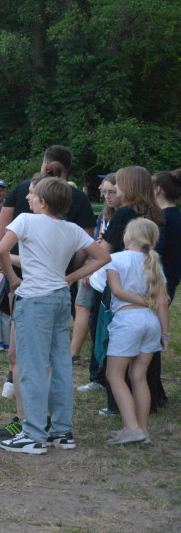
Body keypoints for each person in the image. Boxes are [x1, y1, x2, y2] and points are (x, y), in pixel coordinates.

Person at [0, 176, 109, 454]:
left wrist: (12, 279)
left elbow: (0, 249)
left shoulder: (25, 221)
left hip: (34, 299)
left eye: (33, 195)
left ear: (43, 201)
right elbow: (103, 257)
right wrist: (69, 277)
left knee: (32, 367)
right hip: (59, 299)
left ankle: (33, 434)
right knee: (60, 365)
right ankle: (62, 431)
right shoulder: (71, 228)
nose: (27, 198)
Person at [90, 218, 169, 444]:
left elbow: (116, 290)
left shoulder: (115, 259)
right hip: (151, 324)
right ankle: (142, 430)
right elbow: (162, 304)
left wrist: (144, 302)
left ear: (130, 237)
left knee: (114, 375)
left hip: (128, 321)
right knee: (139, 377)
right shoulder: (154, 263)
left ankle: (131, 427)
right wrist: (165, 334)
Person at [96, 166, 167, 415]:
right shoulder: (157, 212)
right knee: (148, 356)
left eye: (120, 184)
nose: (116, 188)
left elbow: (104, 250)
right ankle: (152, 399)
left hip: (124, 288)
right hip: (152, 282)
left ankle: (118, 405)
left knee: (116, 352)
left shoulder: (125, 212)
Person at [74, 174, 119, 373]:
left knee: (103, 320)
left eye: (112, 192)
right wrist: (90, 267)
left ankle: (102, 368)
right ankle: (80, 356)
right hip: (96, 270)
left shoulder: (125, 215)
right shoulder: (105, 214)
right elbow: (96, 243)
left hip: (112, 274)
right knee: (87, 312)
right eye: (105, 193)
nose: (107, 197)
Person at [152, 169, 181, 300]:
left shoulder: (162, 218)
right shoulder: (176, 214)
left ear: (157, 190)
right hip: (171, 276)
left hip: (159, 280)